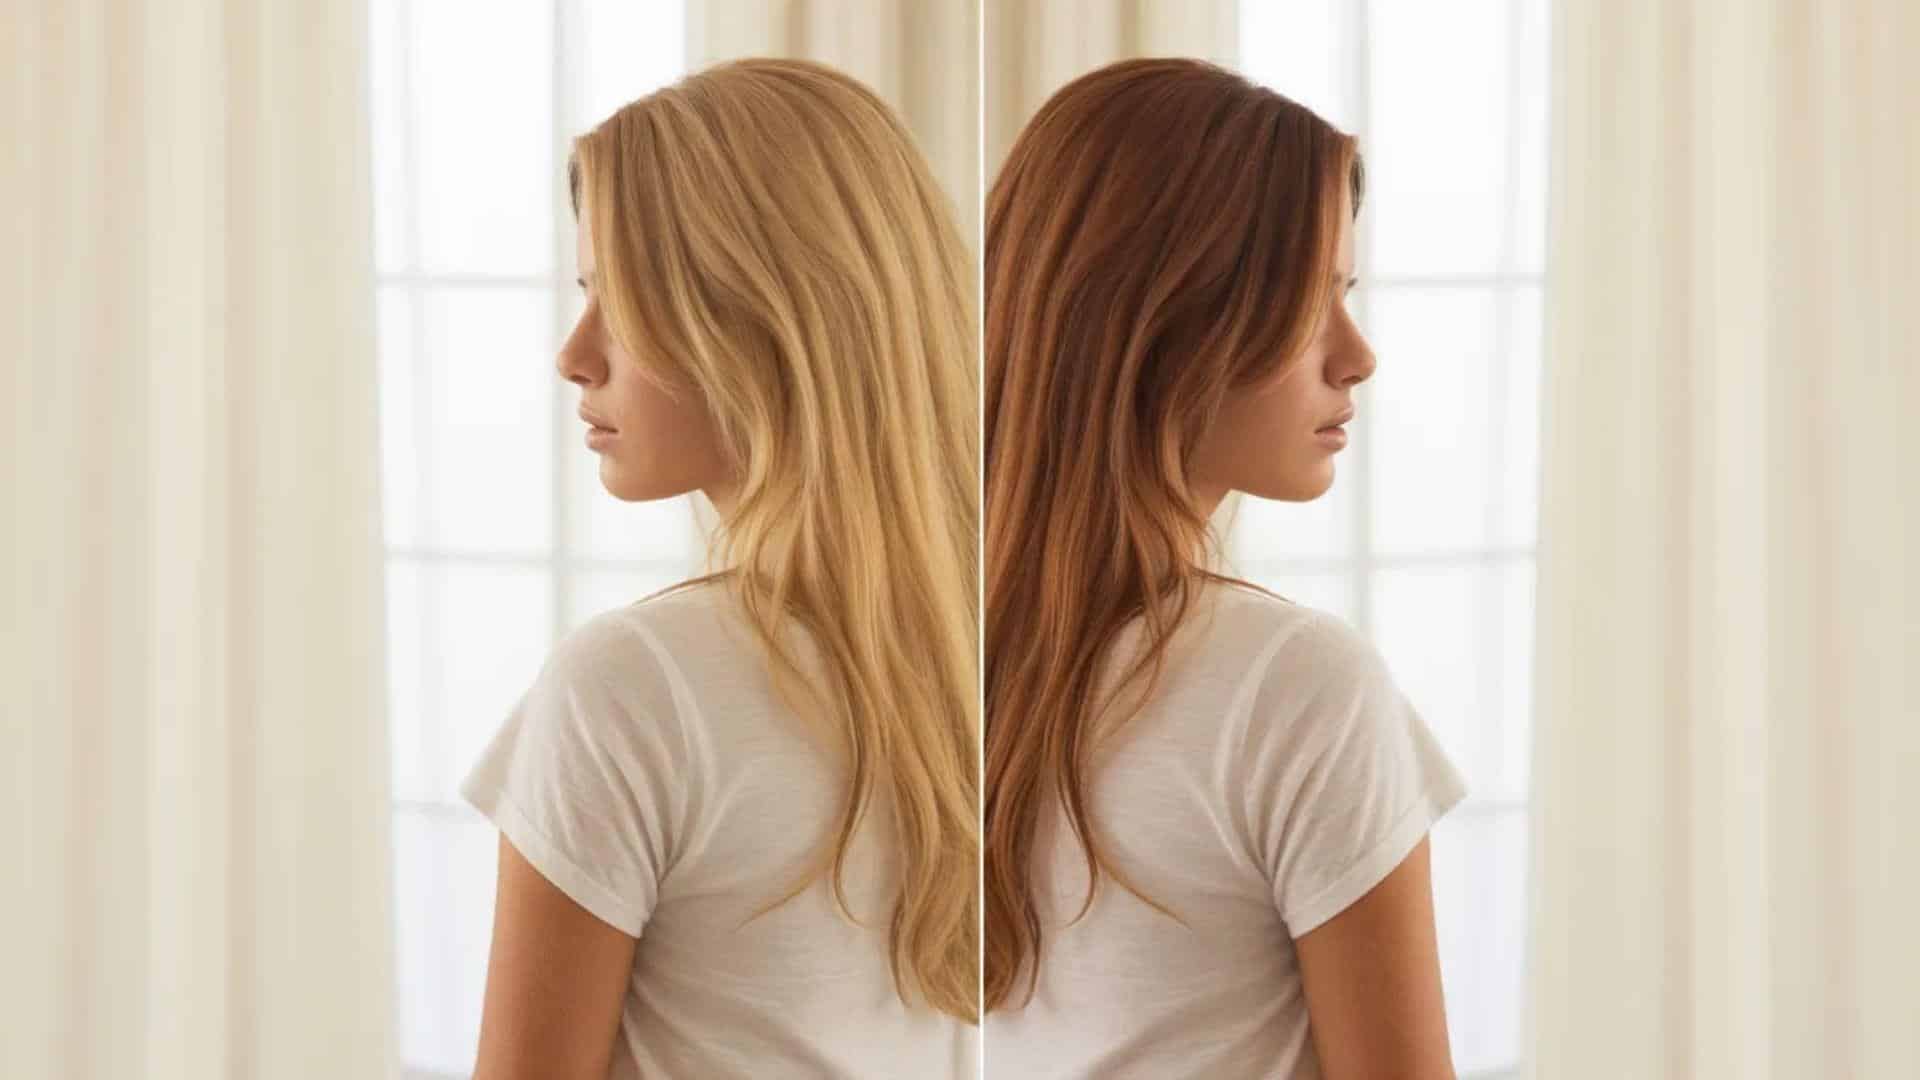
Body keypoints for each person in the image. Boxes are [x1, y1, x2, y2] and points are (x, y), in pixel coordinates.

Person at [460, 58, 980, 1079]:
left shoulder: (630, 687)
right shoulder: (1015, 656)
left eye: (622, 299)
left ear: (759, 313)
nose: (577, 353)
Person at [983, 58, 1468, 1079]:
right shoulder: (1296, 687)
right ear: (1169, 315)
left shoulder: (883, 658)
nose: (1356, 354)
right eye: (1312, 299)